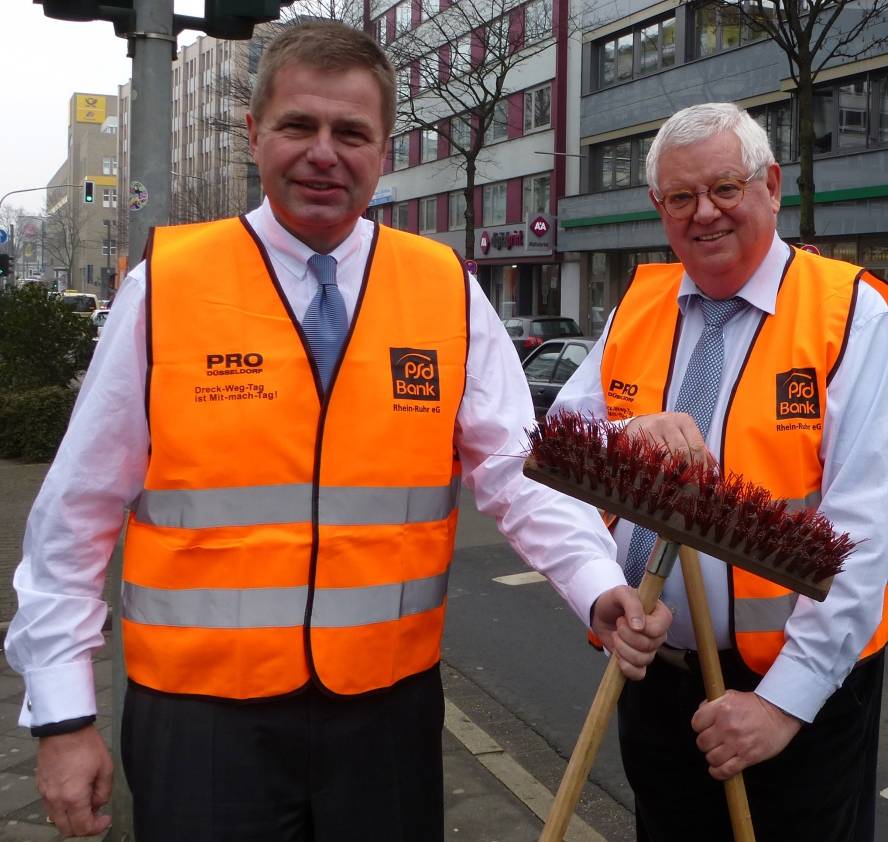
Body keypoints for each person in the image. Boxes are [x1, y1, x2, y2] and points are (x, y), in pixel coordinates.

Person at [5, 21, 670, 842]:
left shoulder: (444, 291)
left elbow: (512, 466)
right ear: (255, 134)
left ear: (384, 149)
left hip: (385, 716)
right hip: (202, 721)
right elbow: (74, 517)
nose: (325, 152)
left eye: (351, 132)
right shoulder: (166, 288)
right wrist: (63, 715)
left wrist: (595, 580)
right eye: (299, 126)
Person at [550, 103, 888, 842]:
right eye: (680, 198)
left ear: (771, 186)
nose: (704, 214)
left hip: (797, 697)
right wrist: (623, 436)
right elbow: (557, 446)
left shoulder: (850, 312)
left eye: (724, 188)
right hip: (654, 675)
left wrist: (782, 704)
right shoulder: (639, 304)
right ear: (660, 207)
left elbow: (862, 534)